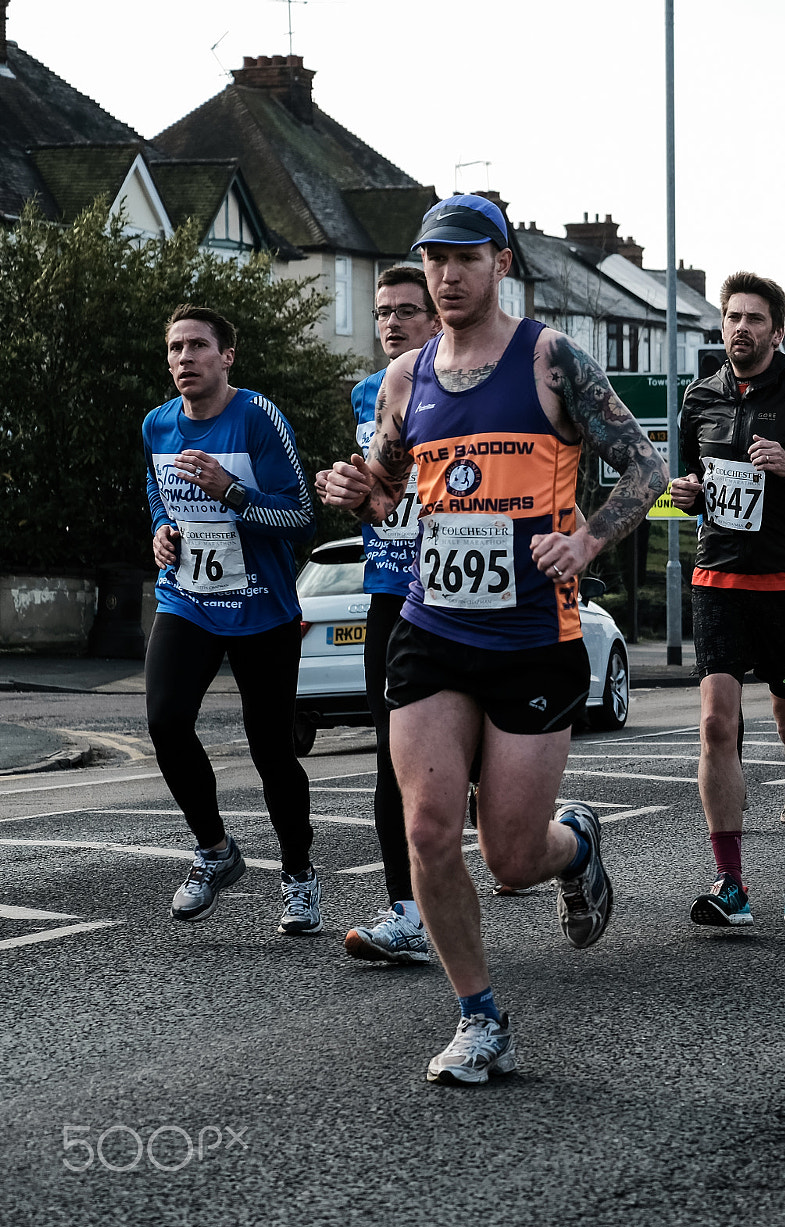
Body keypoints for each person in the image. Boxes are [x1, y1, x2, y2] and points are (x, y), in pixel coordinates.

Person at [319, 194, 668, 1084]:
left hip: (531, 636)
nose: (445, 275)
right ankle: (478, 1015)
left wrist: (586, 539)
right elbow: (390, 489)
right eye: (433, 259)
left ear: (501, 263)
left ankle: (575, 843)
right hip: (432, 629)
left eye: (464, 258)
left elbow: (647, 465)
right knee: (431, 829)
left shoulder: (551, 359)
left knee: (512, 857)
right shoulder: (408, 378)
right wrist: (353, 487)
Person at [667, 273, 785, 929]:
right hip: (717, 580)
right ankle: (731, 881)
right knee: (717, 723)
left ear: (777, 330)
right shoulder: (700, 398)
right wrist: (687, 492)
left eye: (754, 319)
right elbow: (690, 479)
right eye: (732, 317)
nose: (740, 328)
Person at [146, 305, 318, 930]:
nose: (184, 359)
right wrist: (162, 531)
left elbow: (301, 515)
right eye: (174, 349)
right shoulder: (157, 425)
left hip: (262, 609)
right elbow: (156, 493)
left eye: (197, 346)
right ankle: (214, 850)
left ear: (227, 357)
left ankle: (298, 877)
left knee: (271, 750)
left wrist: (231, 491)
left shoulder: (258, 419)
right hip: (187, 598)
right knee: (166, 722)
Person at [328, 266, 442, 964]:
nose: (393, 322)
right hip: (389, 591)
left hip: (460, 597)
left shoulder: (462, 387)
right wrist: (347, 487)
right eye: (382, 312)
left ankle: (554, 837)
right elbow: (377, 492)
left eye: (407, 310)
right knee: (390, 760)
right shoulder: (367, 395)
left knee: (488, 770)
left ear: (434, 321)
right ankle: (406, 911)